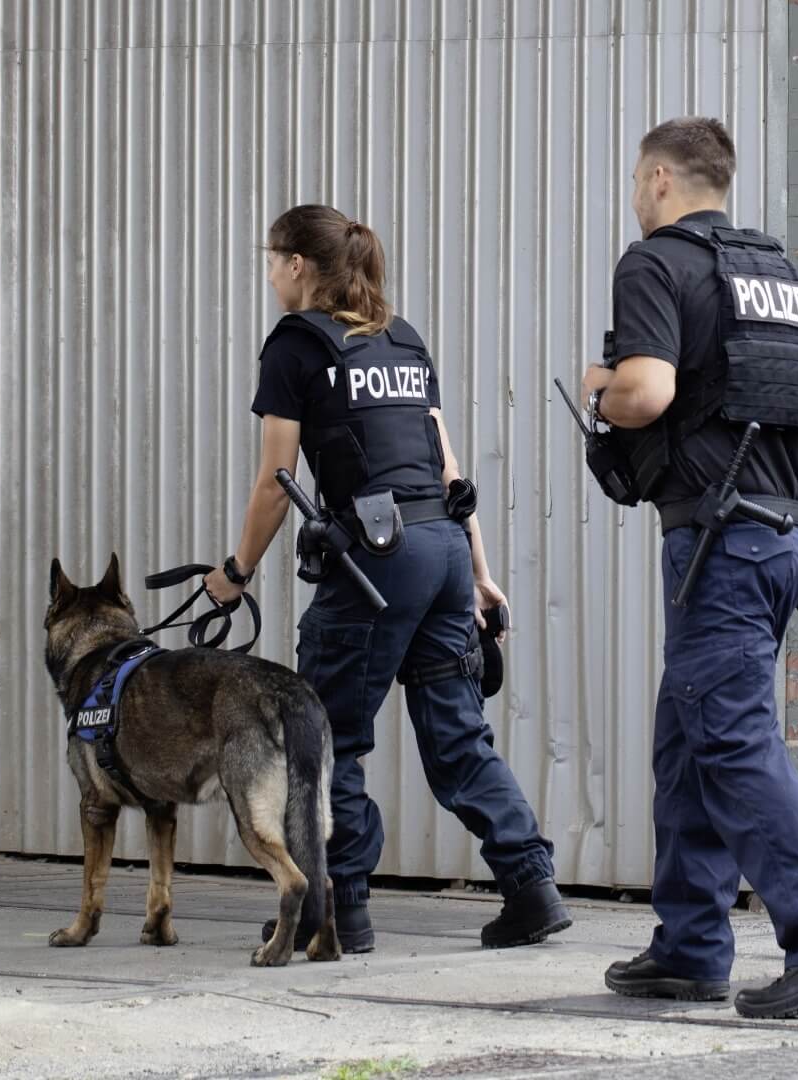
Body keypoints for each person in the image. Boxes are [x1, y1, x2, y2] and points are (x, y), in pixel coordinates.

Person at [581, 118, 798, 1018]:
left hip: (723, 541)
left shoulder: (656, 263)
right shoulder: (785, 277)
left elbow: (646, 391)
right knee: (688, 735)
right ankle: (688, 948)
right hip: (781, 538)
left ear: (659, 178)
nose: (635, 195)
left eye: (636, 180)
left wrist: (600, 386)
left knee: (728, 737)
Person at [205, 205, 571, 954]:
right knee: (458, 735)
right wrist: (478, 572)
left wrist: (236, 573)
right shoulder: (401, 338)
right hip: (441, 549)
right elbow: (450, 471)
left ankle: (339, 911)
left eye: (271, 261)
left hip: (376, 561)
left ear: (298, 265)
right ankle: (531, 888)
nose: (269, 276)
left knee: (327, 739)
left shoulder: (296, 344)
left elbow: (276, 482)